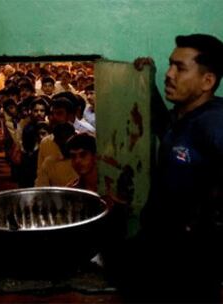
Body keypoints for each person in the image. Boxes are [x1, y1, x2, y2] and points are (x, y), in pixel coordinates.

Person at [108, 34, 223, 303]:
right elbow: (167, 129)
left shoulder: (214, 123)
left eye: (180, 68)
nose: (170, 74)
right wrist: (147, 79)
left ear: (208, 81)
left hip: (189, 261)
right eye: (170, 65)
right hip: (158, 244)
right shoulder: (181, 115)